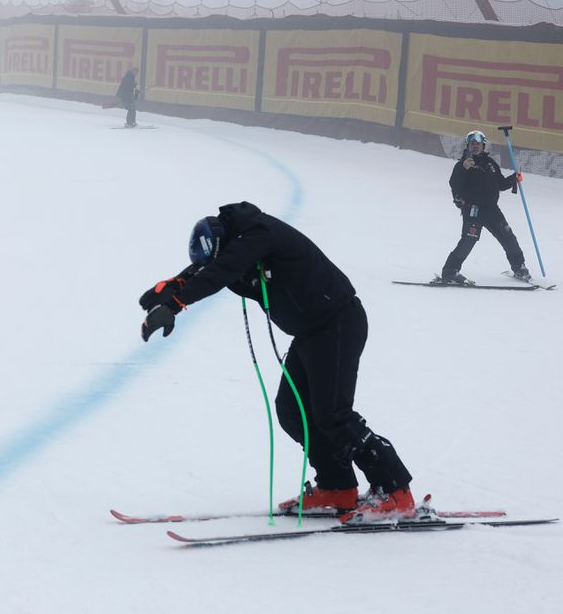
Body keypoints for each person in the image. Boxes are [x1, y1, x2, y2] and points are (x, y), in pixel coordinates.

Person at [138, 201, 415, 523]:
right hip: (310, 334)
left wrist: (175, 304)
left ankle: (395, 490)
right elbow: (206, 269)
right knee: (292, 412)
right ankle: (337, 487)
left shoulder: (259, 232)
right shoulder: (234, 245)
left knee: (334, 415)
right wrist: (170, 290)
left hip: (338, 323)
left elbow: (221, 270)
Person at [439, 130, 528, 285]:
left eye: (478, 144)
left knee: (508, 237)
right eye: (472, 143)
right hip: (473, 209)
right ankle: (450, 272)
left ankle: (519, 267)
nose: (475, 146)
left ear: (483, 145)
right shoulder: (463, 164)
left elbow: (500, 184)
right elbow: (454, 183)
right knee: (468, 240)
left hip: (492, 209)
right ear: (468, 145)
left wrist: (514, 179)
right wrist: (463, 168)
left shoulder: (490, 164)